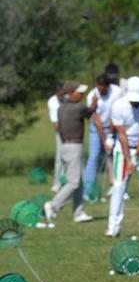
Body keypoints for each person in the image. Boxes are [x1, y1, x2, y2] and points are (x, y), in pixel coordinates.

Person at [105, 76, 139, 237]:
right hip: (122, 150)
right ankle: (113, 227)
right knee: (118, 187)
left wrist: (136, 156)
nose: (135, 103)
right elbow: (121, 135)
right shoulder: (118, 106)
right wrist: (129, 159)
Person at [43, 81, 97, 223]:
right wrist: (94, 103)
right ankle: (53, 205)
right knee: (74, 182)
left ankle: (78, 213)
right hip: (74, 146)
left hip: (65, 145)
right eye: (79, 92)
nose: (82, 95)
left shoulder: (61, 108)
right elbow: (90, 112)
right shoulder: (78, 108)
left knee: (78, 180)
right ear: (71, 93)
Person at [83, 73, 123, 202]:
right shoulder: (92, 96)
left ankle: (116, 187)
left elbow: (115, 114)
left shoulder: (116, 92)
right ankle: (88, 191)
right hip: (97, 129)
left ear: (108, 86)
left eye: (103, 89)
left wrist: (110, 136)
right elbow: (97, 121)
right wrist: (104, 140)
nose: (101, 91)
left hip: (114, 125)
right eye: (99, 88)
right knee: (93, 157)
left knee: (115, 155)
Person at [46, 83, 65, 192]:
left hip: (70, 130)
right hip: (60, 131)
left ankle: (65, 181)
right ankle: (57, 183)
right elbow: (56, 124)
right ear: (56, 93)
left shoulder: (66, 99)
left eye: (63, 94)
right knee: (60, 157)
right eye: (60, 94)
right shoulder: (52, 102)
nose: (62, 96)